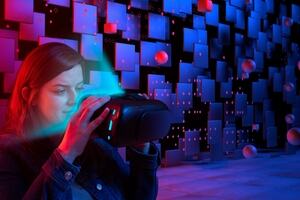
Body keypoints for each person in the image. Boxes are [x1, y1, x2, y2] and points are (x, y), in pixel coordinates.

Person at [0, 42, 160, 199]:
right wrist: (66, 154)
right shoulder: (8, 152)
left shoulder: (97, 142)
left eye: (79, 88)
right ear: (29, 96)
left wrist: (141, 150)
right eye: (60, 91)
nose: (74, 99)